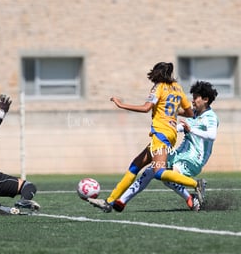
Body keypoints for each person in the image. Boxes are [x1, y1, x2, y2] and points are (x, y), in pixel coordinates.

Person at [88, 62, 206, 212]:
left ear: (157, 74)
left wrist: (121, 105)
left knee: (159, 172)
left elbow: (145, 108)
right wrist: (170, 112)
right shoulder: (177, 88)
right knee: (135, 165)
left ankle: (196, 184)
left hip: (161, 133)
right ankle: (109, 202)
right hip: (170, 133)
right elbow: (190, 113)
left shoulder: (158, 87)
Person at [116, 81, 219, 212]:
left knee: (165, 176)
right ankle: (121, 201)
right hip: (181, 153)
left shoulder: (210, 117)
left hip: (194, 159)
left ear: (205, 99)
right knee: (152, 170)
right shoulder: (194, 113)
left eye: (195, 98)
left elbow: (212, 135)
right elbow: (181, 127)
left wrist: (190, 129)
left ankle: (193, 193)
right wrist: (165, 130)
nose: (192, 101)